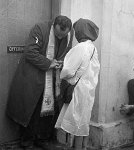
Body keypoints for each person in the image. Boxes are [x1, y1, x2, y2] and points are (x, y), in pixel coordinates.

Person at [6, 15, 73, 149]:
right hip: (35, 77)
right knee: (32, 111)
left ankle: (42, 139)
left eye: (63, 36)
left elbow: (67, 53)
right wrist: (49, 63)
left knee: (49, 112)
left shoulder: (69, 35)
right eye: (58, 35)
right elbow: (30, 52)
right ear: (54, 25)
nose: (60, 38)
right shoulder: (40, 29)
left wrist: (62, 62)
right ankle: (27, 141)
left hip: (54, 80)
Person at [55, 18, 100, 150]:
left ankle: (72, 147)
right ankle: (81, 147)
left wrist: (62, 71)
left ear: (80, 31)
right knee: (81, 122)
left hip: (76, 90)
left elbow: (68, 71)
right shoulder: (93, 48)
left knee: (72, 122)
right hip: (87, 90)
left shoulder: (80, 47)